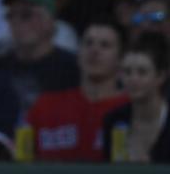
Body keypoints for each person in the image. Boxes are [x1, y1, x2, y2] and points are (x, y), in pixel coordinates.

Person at [25, 20, 128, 161]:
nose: (94, 50)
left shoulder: (132, 109)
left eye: (105, 45)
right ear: (78, 53)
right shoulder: (45, 107)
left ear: (121, 59)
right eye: (88, 43)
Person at [102, 32, 170, 162]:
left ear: (160, 76)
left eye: (142, 72)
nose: (133, 79)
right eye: (127, 72)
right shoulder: (113, 120)